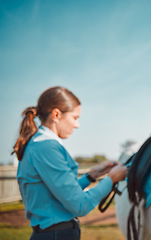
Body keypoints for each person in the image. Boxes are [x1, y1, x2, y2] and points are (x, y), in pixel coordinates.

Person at [13, 86, 128, 240]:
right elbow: (80, 205)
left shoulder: (39, 144)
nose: (77, 125)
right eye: (75, 117)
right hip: (56, 235)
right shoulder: (46, 147)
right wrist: (112, 179)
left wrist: (91, 176)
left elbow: (61, 195)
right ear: (56, 114)